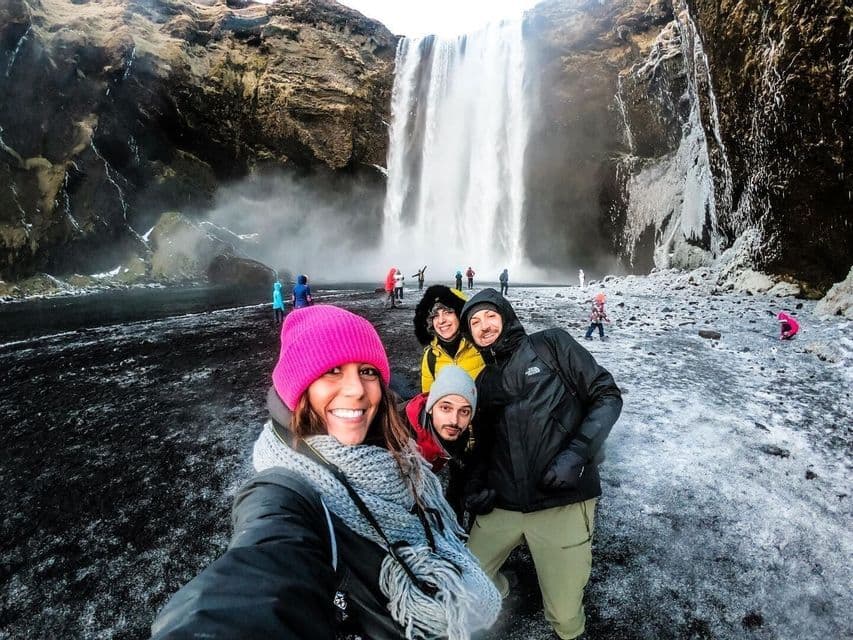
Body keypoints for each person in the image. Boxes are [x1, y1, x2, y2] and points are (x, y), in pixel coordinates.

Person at [151, 305, 501, 639]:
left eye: (367, 372)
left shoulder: (392, 449)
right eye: (332, 371)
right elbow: (261, 574)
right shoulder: (284, 489)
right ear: (298, 386)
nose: (356, 390)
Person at [460, 288, 622, 640]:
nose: (484, 325)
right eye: (474, 322)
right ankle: (499, 589)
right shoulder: (484, 381)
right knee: (467, 580)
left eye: (490, 315)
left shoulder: (551, 346)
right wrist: (477, 484)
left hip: (561, 497)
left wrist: (576, 454)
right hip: (504, 502)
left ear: (506, 315)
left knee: (563, 617)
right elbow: (484, 444)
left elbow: (606, 394)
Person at [414, 285, 486, 393]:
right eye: (435, 315)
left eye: (448, 312)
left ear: (460, 315)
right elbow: (428, 400)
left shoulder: (483, 348)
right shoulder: (430, 357)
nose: (441, 320)